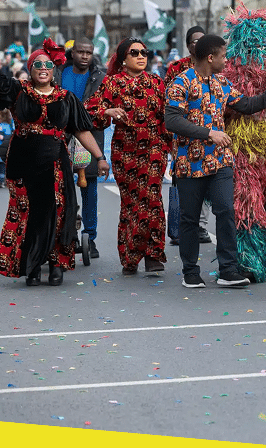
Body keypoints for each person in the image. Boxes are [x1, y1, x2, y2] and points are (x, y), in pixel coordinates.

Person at [0, 34, 109, 286]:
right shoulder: (18, 91)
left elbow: (81, 129)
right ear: (30, 69)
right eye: (38, 65)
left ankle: (56, 264)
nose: (44, 69)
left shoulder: (65, 98)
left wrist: (99, 158)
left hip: (55, 163)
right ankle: (32, 266)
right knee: (28, 214)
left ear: (54, 69)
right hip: (23, 162)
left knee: (58, 211)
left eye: (48, 65)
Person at [164, 34, 266, 289]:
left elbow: (247, 104)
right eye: (223, 56)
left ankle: (228, 270)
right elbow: (172, 120)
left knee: (226, 212)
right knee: (189, 219)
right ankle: (190, 271)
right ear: (210, 58)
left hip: (221, 162)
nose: (226, 60)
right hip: (190, 163)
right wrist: (208, 133)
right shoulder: (180, 83)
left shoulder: (222, 83)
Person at [86, 38, 173, 276]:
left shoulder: (157, 82)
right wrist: (108, 111)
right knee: (133, 203)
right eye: (135, 52)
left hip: (154, 149)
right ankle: (130, 256)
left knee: (153, 199)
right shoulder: (112, 84)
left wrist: (172, 147)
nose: (141, 56)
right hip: (126, 152)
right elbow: (89, 113)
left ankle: (153, 256)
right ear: (124, 59)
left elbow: (169, 116)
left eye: (144, 52)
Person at [163, 26, 214, 247]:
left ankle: (201, 226)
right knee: (184, 182)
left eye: (202, 40)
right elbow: (169, 103)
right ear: (187, 45)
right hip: (183, 135)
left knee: (207, 178)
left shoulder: (214, 66)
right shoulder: (176, 68)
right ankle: (181, 226)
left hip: (210, 134)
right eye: (194, 41)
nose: (198, 44)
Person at [59, 39, 105, 259]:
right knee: (62, 189)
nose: (85, 56)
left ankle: (91, 237)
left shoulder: (99, 76)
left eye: (89, 52)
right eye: (80, 52)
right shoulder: (59, 73)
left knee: (90, 190)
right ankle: (64, 235)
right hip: (61, 136)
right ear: (72, 53)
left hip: (90, 136)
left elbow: (104, 105)